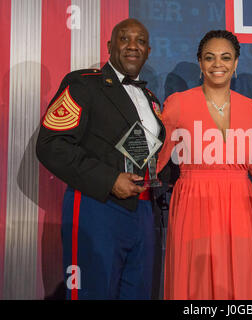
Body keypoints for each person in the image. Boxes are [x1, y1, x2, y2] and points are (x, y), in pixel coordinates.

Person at [36, 18, 166, 299]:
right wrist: (109, 180)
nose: (133, 46)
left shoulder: (151, 98)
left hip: (143, 214)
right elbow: (51, 144)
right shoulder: (84, 84)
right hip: (97, 207)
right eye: (124, 39)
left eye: (140, 41)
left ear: (149, 51)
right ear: (109, 45)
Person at [157, 30, 252, 300]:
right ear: (200, 63)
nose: (218, 64)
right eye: (210, 57)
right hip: (193, 202)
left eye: (226, 57)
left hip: (240, 205)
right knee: (195, 284)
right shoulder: (178, 104)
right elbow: (155, 159)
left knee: (239, 284)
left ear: (236, 63)